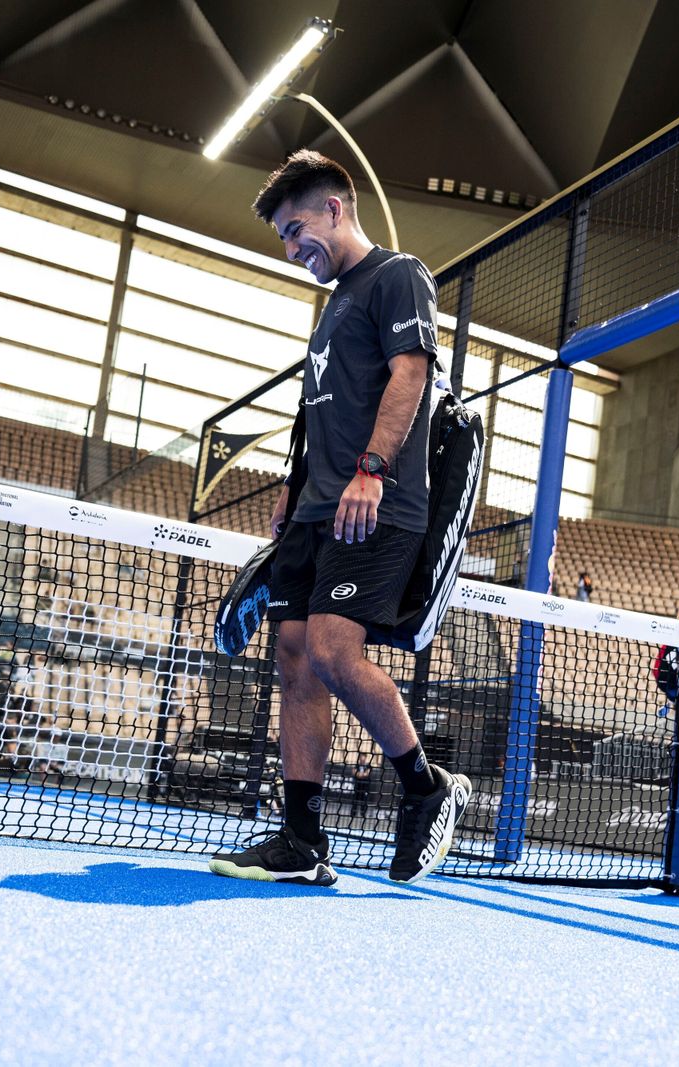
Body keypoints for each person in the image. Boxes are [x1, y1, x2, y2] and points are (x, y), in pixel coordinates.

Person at [208, 150, 470, 889]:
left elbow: (411, 373)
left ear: (335, 207)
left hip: (375, 505)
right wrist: (296, 487)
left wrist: (370, 473)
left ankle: (427, 788)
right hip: (316, 512)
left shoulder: (398, 275)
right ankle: (302, 839)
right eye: (285, 240)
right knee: (293, 654)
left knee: (330, 649)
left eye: (297, 231)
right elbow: (322, 409)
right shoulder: (334, 306)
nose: (294, 250)